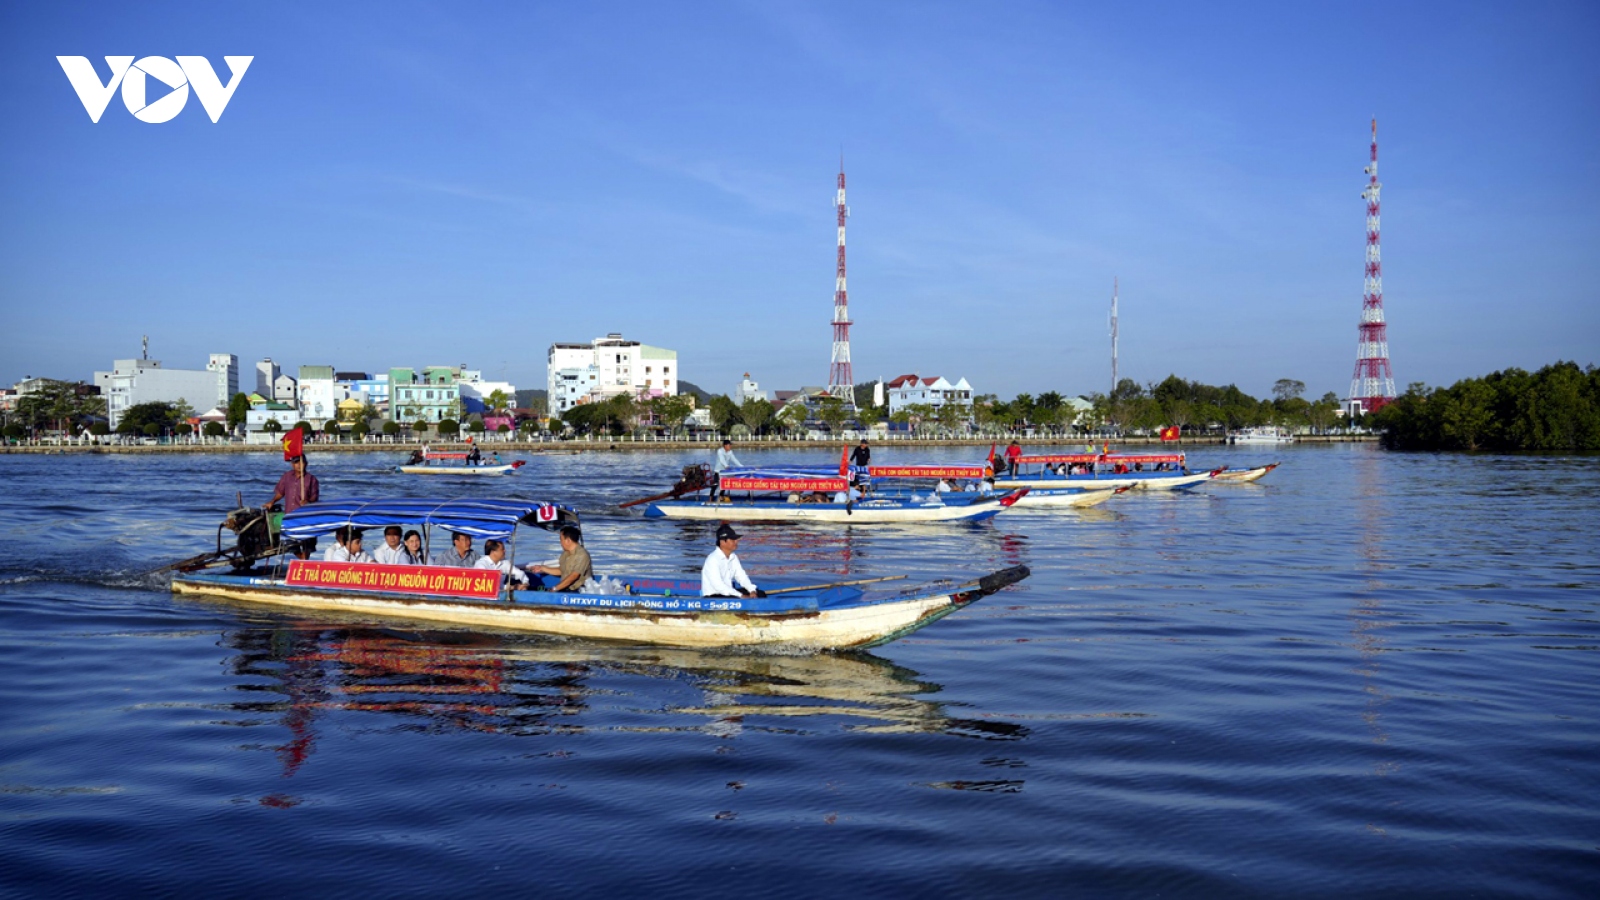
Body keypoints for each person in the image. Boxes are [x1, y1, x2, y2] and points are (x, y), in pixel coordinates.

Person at [701, 524, 763, 599]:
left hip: (728, 594)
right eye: (732, 539)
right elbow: (718, 586)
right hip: (714, 596)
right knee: (738, 597)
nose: (736, 541)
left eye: (736, 539)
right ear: (722, 542)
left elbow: (741, 576)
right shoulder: (712, 560)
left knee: (760, 594)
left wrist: (752, 590)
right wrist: (741, 596)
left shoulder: (733, 557)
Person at [526, 525, 592, 592]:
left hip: (579, 590)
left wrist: (555, 588)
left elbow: (574, 576)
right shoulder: (565, 554)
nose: (560, 543)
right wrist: (542, 568)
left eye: (561, 539)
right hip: (566, 588)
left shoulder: (582, 555)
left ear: (568, 541)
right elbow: (562, 570)